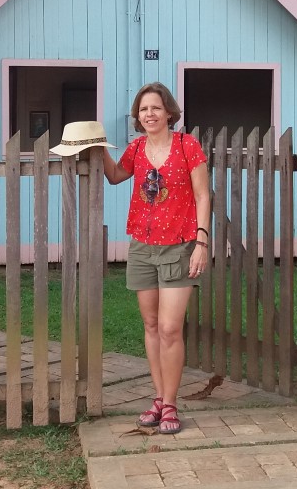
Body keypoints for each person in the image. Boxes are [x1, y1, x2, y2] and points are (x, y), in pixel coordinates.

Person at [100, 82, 211, 435]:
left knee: (169, 328)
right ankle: (160, 399)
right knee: (150, 326)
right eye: (143, 109)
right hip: (142, 247)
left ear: (168, 113)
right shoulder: (136, 148)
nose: (149, 114)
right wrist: (99, 148)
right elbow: (116, 176)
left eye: (155, 108)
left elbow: (203, 196)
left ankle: (172, 403)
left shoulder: (187, 145)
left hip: (180, 245)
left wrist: (202, 242)